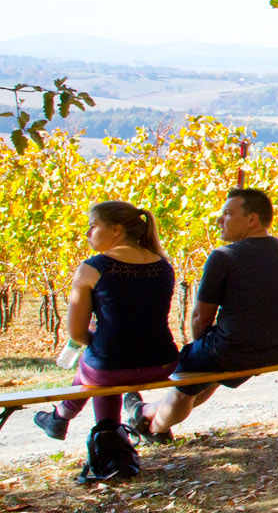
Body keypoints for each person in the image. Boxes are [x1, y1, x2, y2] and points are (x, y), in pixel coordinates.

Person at [36, 201, 178, 484]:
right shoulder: (162, 264)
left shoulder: (93, 268)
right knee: (104, 360)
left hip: (111, 368)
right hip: (163, 362)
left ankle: (66, 415)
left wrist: (99, 340)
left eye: (93, 225)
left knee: (101, 361)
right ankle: (67, 419)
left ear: (115, 229)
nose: (88, 232)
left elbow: (76, 334)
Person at [146, 188, 278, 439]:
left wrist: (199, 345)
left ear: (252, 219)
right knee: (206, 372)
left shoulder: (223, 257)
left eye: (228, 213)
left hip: (236, 350)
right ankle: (148, 412)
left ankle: (153, 426)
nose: (220, 220)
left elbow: (200, 317)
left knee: (192, 371)